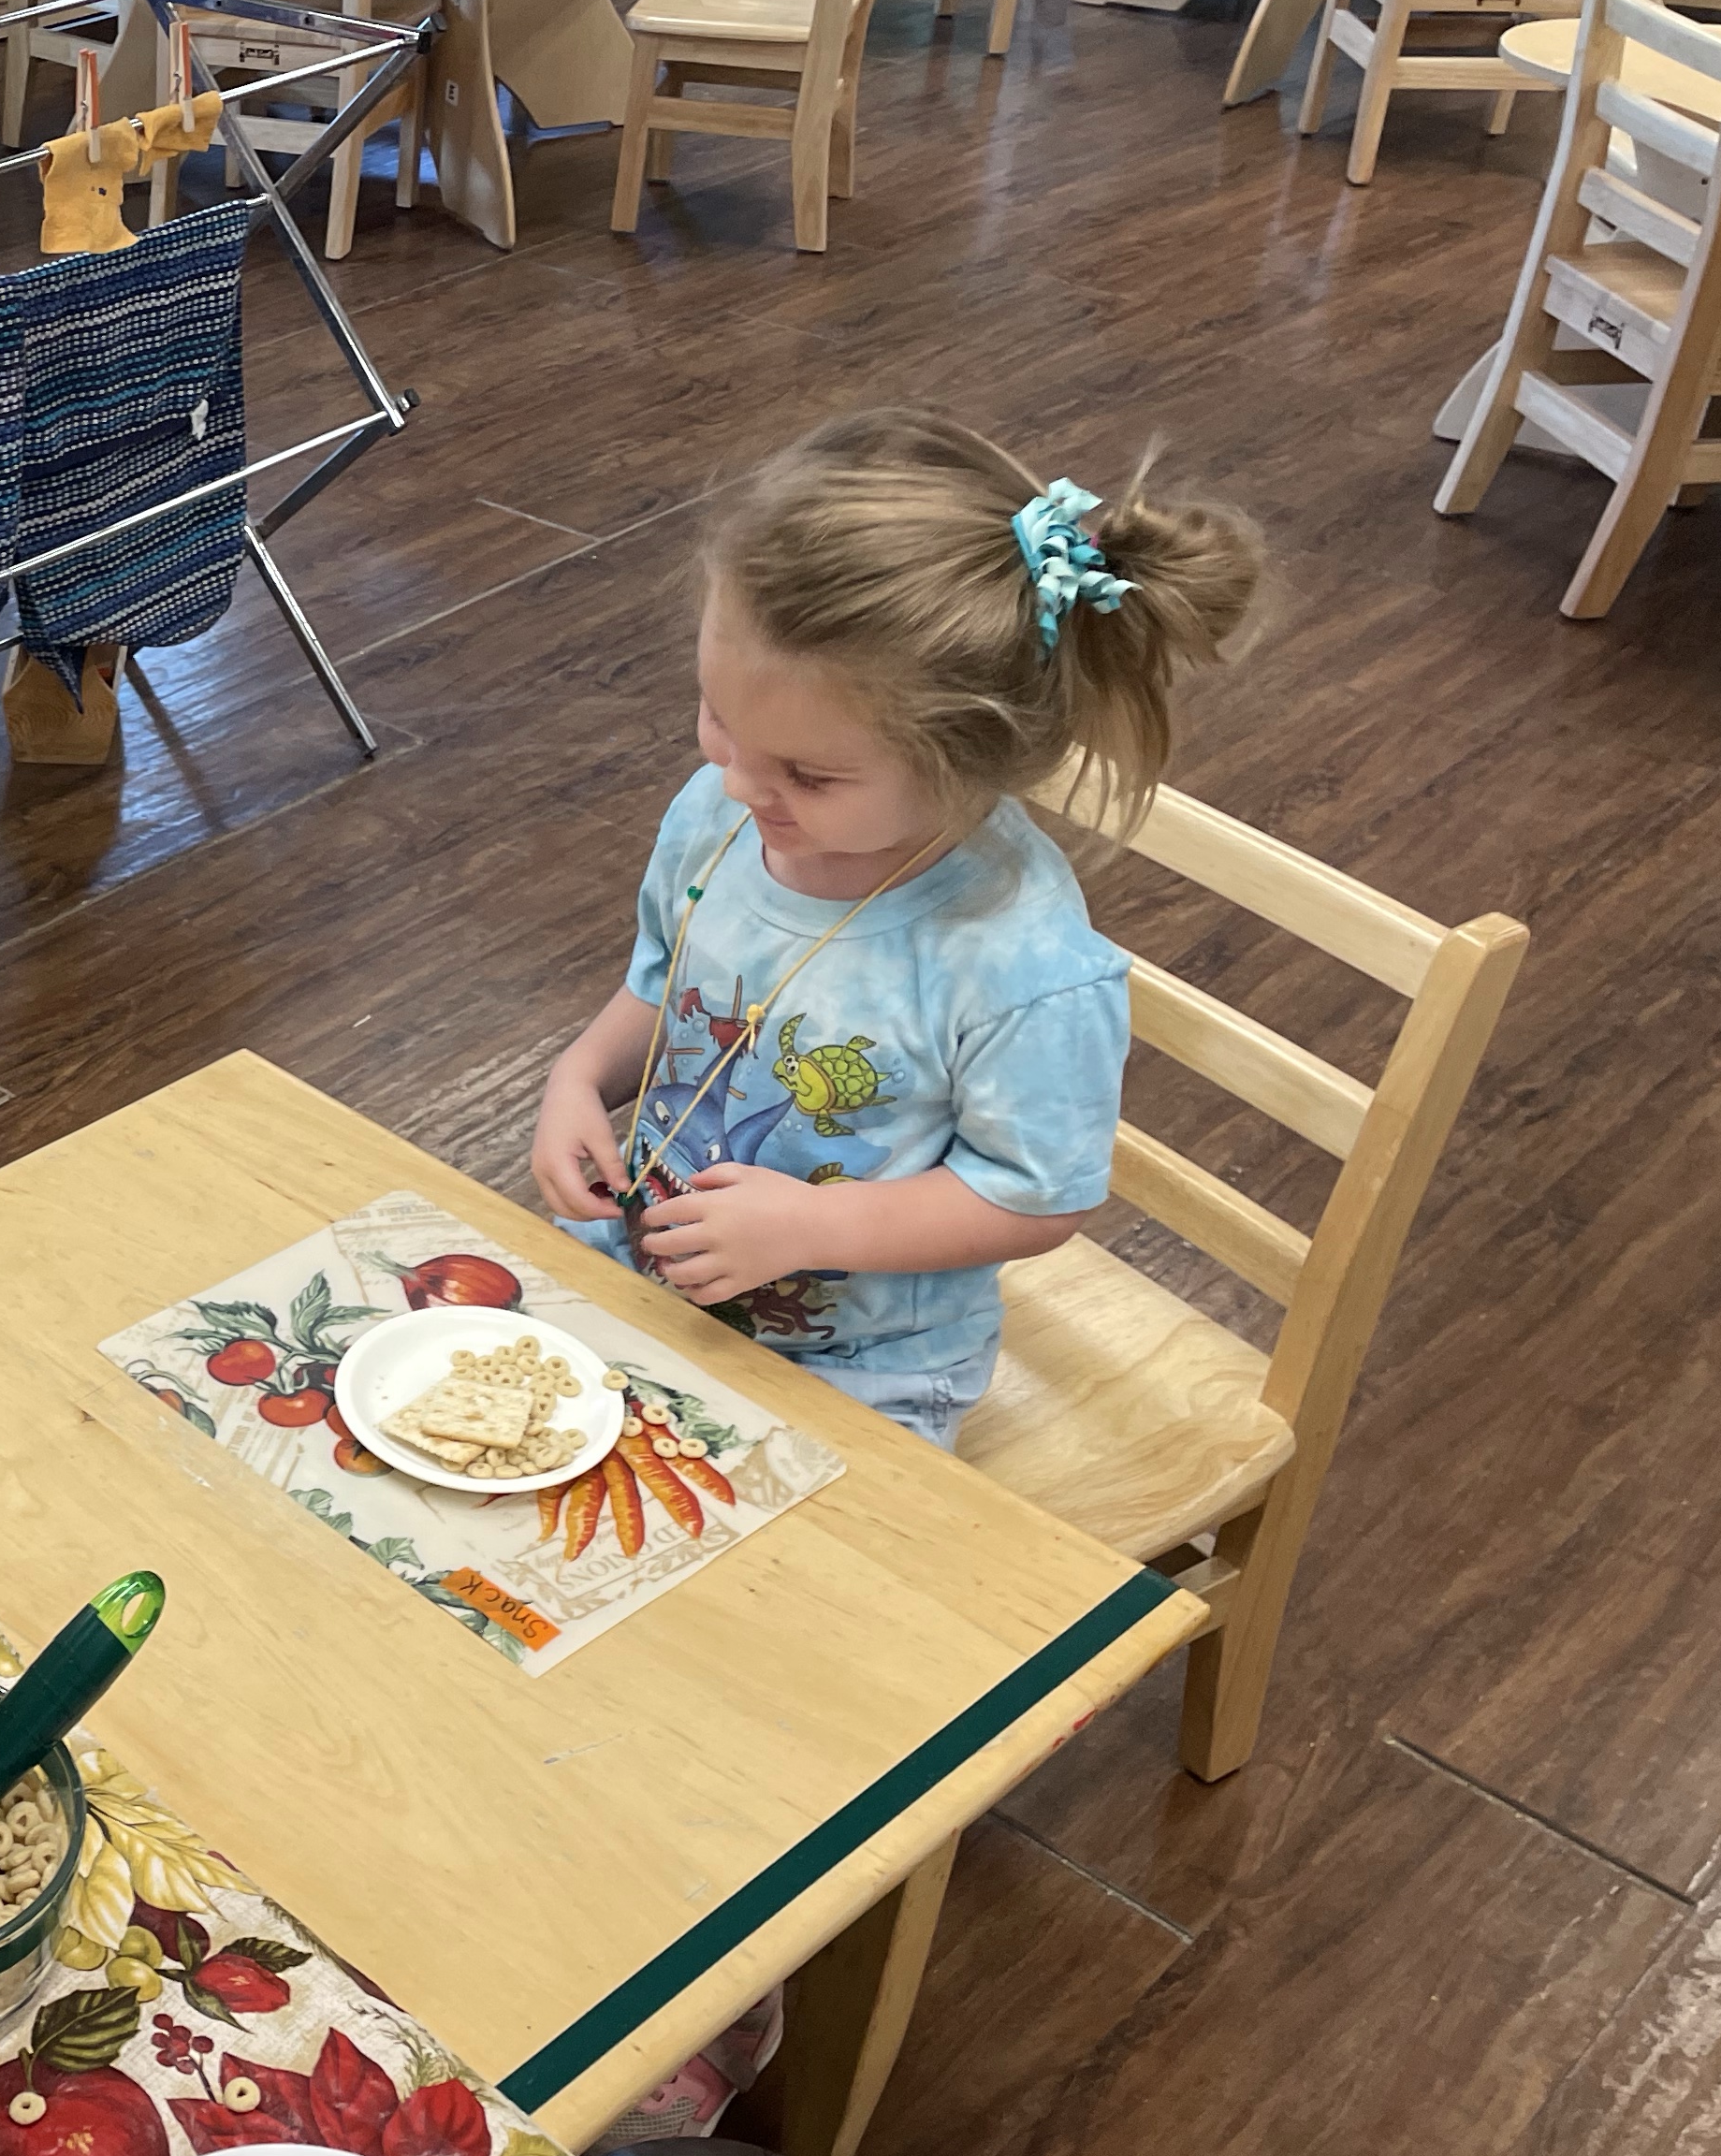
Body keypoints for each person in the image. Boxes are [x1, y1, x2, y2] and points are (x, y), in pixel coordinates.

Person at [529, 409, 1264, 1448]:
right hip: (640, 1267)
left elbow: (1035, 1198)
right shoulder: (718, 817)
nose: (738, 785)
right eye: (720, 719)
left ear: (971, 761)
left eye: (808, 774)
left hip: (861, 1367)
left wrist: (811, 1228)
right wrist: (579, 1076)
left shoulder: (1021, 965)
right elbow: (665, 984)